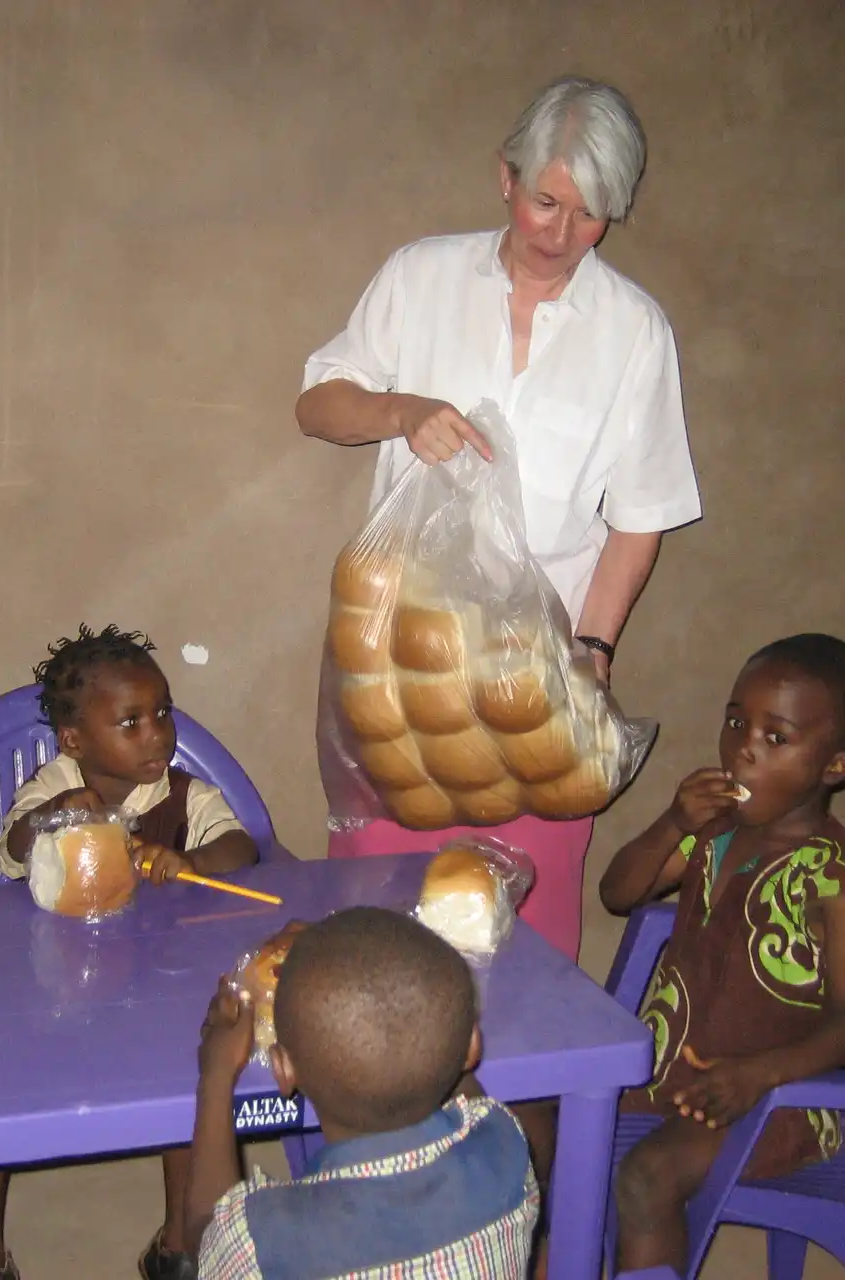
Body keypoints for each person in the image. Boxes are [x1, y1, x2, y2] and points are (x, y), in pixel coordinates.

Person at [296, 75, 702, 962]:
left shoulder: (634, 330)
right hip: (398, 667)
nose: (561, 234)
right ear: (506, 180)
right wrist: (401, 411)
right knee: (376, 934)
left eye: (591, 214)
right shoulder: (421, 274)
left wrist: (592, 652)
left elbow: (640, 518)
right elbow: (319, 406)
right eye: (547, 201)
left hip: (538, 679)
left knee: (524, 947)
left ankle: (521, 1104)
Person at [0, 625, 259, 1280]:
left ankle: (178, 1244)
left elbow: (242, 849)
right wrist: (60, 813)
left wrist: (189, 860)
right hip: (47, 989)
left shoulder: (183, 798)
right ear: (75, 741)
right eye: (131, 722)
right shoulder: (54, 785)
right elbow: (13, 847)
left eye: (162, 713)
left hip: (156, 990)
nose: (157, 734)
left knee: (192, 1074)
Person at [598, 633, 845, 1273]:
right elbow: (618, 892)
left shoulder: (832, 876)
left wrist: (758, 1075)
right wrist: (674, 823)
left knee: (645, 1179)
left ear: (836, 764)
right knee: (541, 1125)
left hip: (778, 1097)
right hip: (668, 1076)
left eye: (776, 737)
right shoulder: (713, 835)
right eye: (736, 721)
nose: (743, 748)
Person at [184, 907, 539, 1278]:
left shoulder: (264, 1240)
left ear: (283, 1070)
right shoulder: (505, 1146)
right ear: (472, 1046)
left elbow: (205, 1233)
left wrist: (217, 1074)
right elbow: (465, 1087)